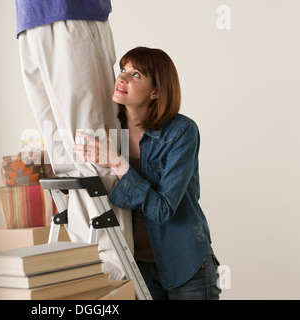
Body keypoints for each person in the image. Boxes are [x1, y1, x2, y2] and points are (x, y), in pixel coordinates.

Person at [74, 46, 222, 299]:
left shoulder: (182, 132)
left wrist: (116, 162)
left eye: (136, 75)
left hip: (185, 263)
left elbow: (163, 209)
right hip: (135, 265)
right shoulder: (107, 129)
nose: (122, 78)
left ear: (156, 91)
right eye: (123, 69)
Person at [15, 0, 133, 280]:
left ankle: (118, 281)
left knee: (95, 150)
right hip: (30, 22)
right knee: (65, 161)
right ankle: (91, 270)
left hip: (74, 15)